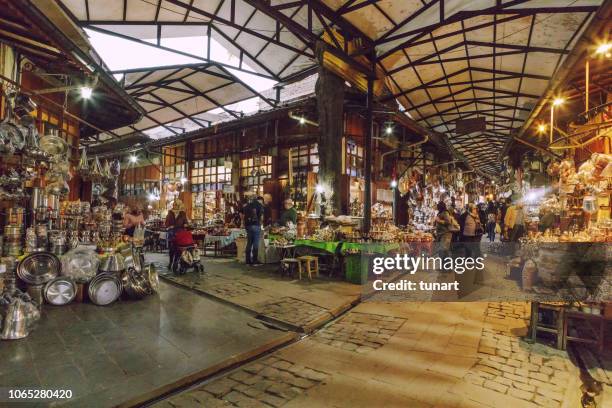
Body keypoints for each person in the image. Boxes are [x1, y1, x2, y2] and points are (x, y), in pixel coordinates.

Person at [242, 196, 264, 265]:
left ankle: (248, 261)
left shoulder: (247, 206)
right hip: (256, 225)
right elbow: (261, 217)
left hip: (248, 226)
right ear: (259, 200)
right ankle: (255, 261)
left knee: (249, 243)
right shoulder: (259, 205)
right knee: (255, 243)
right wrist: (260, 224)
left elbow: (243, 215)